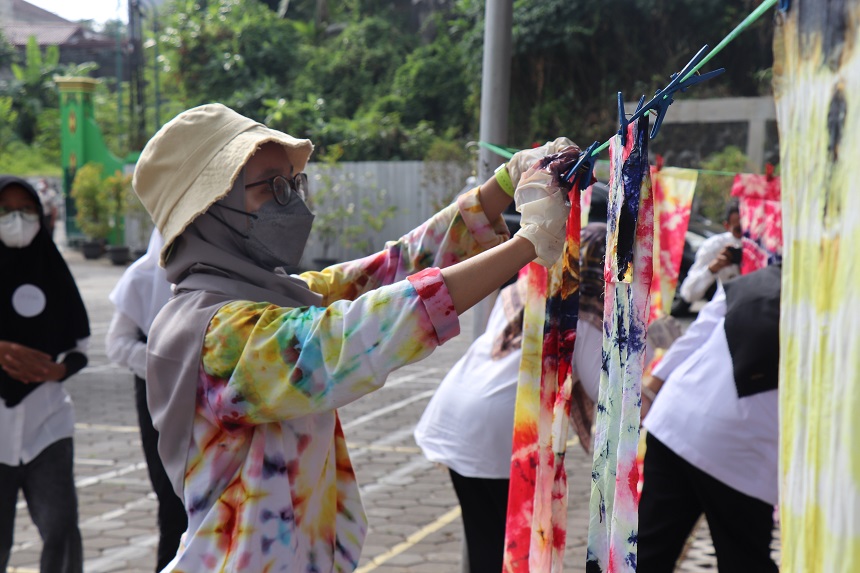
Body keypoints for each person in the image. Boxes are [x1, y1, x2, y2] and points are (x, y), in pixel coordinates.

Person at [130, 103, 577, 572]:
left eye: (292, 183)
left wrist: (505, 184)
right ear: (207, 212)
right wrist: (526, 244)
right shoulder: (214, 334)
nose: (291, 201)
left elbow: (389, 270)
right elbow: (354, 334)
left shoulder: (278, 297)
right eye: (271, 186)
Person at [413, 185, 609, 573]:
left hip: (455, 419)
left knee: (484, 536)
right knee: (507, 549)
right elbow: (608, 396)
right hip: (501, 437)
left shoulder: (525, 292)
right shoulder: (583, 319)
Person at [638, 264, 781, 572]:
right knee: (745, 561)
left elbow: (698, 334)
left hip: (676, 419)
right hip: (742, 448)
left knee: (649, 552)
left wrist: (652, 387)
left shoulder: (757, 280)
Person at [0, 176, 90, 573]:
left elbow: (81, 346)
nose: (16, 219)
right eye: (5, 211)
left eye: (26, 209)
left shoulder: (54, 270)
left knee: (61, 530)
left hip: (47, 424)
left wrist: (59, 369)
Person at [105, 228, 188, 572]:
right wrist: (173, 365)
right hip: (160, 401)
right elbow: (118, 345)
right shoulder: (141, 276)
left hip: (210, 402)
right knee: (173, 505)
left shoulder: (223, 270)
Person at [677, 202, 743, 308]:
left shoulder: (769, 246)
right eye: (739, 230)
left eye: (749, 230)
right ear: (727, 226)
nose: (745, 238)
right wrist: (712, 269)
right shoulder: (715, 246)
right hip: (729, 307)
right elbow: (688, 294)